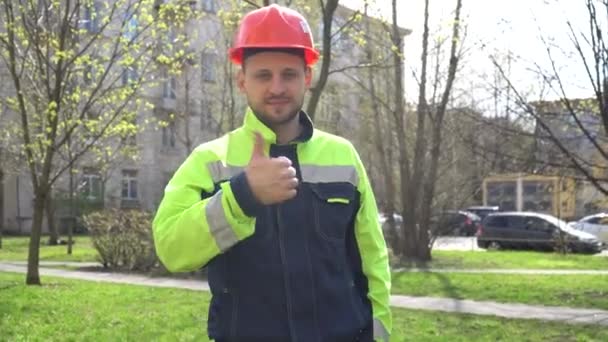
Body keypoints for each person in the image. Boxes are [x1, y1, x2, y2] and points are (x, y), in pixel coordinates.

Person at [152, 4, 391, 342]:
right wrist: (241, 196)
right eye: (263, 75)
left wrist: (378, 337)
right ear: (241, 81)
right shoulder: (210, 159)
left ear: (307, 77)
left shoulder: (343, 156)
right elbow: (171, 248)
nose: (277, 87)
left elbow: (373, 264)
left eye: (289, 74)